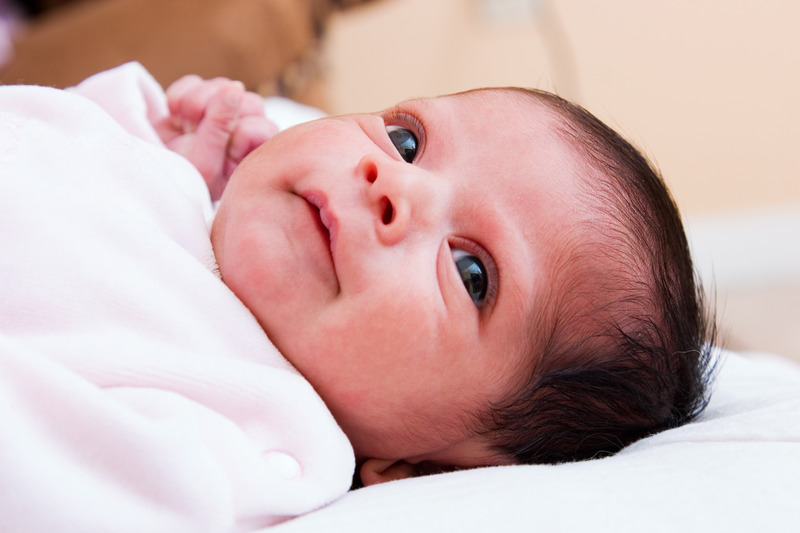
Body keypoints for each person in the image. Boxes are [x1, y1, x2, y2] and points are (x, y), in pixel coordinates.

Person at [0, 62, 714, 530]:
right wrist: (160, 143)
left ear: (426, 468)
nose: (390, 182)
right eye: (407, 140)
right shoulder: (185, 185)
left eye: (472, 273)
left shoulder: (254, 437)